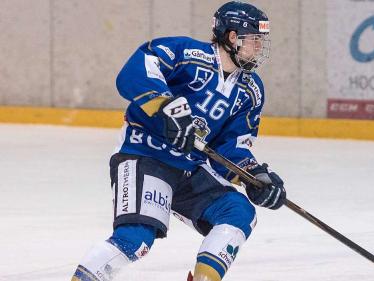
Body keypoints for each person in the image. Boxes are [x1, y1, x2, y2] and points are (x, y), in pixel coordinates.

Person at [71, 1, 286, 281]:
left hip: (188, 170)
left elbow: (231, 147)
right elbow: (136, 70)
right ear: (232, 37)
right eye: (254, 40)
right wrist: (166, 106)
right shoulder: (188, 53)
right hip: (146, 155)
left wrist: (253, 175)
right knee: (135, 239)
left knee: (238, 212)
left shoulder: (251, 90)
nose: (259, 48)